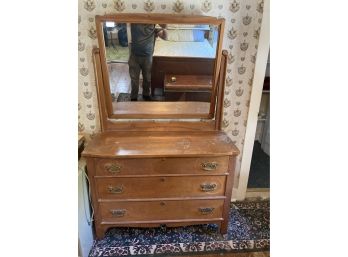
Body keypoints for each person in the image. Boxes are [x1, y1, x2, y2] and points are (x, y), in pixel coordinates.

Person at [128, 24, 167, 101]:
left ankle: (146, 94)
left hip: (147, 57)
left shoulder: (154, 23)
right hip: (134, 56)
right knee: (134, 79)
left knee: (147, 78)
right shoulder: (134, 21)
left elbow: (165, 37)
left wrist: (164, 27)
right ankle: (133, 97)